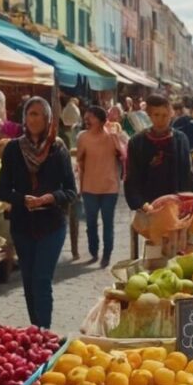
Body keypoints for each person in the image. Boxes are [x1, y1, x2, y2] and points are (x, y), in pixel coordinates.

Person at [0, 97, 77, 330]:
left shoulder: (58, 148)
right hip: (23, 225)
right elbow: (2, 190)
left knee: (42, 280)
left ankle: (45, 334)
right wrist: (22, 199)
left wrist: (50, 198)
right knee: (29, 282)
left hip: (51, 224)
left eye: (38, 114)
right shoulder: (13, 149)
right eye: (30, 114)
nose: (33, 119)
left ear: (48, 119)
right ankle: (35, 331)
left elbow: (71, 190)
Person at [124, 94, 193, 210]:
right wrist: (141, 203)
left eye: (165, 115)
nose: (161, 119)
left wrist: (192, 199)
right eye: (156, 115)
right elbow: (131, 177)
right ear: (149, 116)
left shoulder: (180, 139)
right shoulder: (137, 142)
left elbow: (187, 173)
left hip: (177, 205)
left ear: (171, 116)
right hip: (148, 205)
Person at [77, 105, 122, 267]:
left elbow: (123, 155)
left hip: (109, 188)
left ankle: (107, 254)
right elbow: (80, 162)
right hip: (89, 187)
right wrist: (79, 186)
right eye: (86, 117)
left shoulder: (112, 137)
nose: (87, 120)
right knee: (90, 223)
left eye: (91, 117)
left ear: (102, 121)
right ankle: (93, 250)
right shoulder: (82, 138)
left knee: (108, 223)